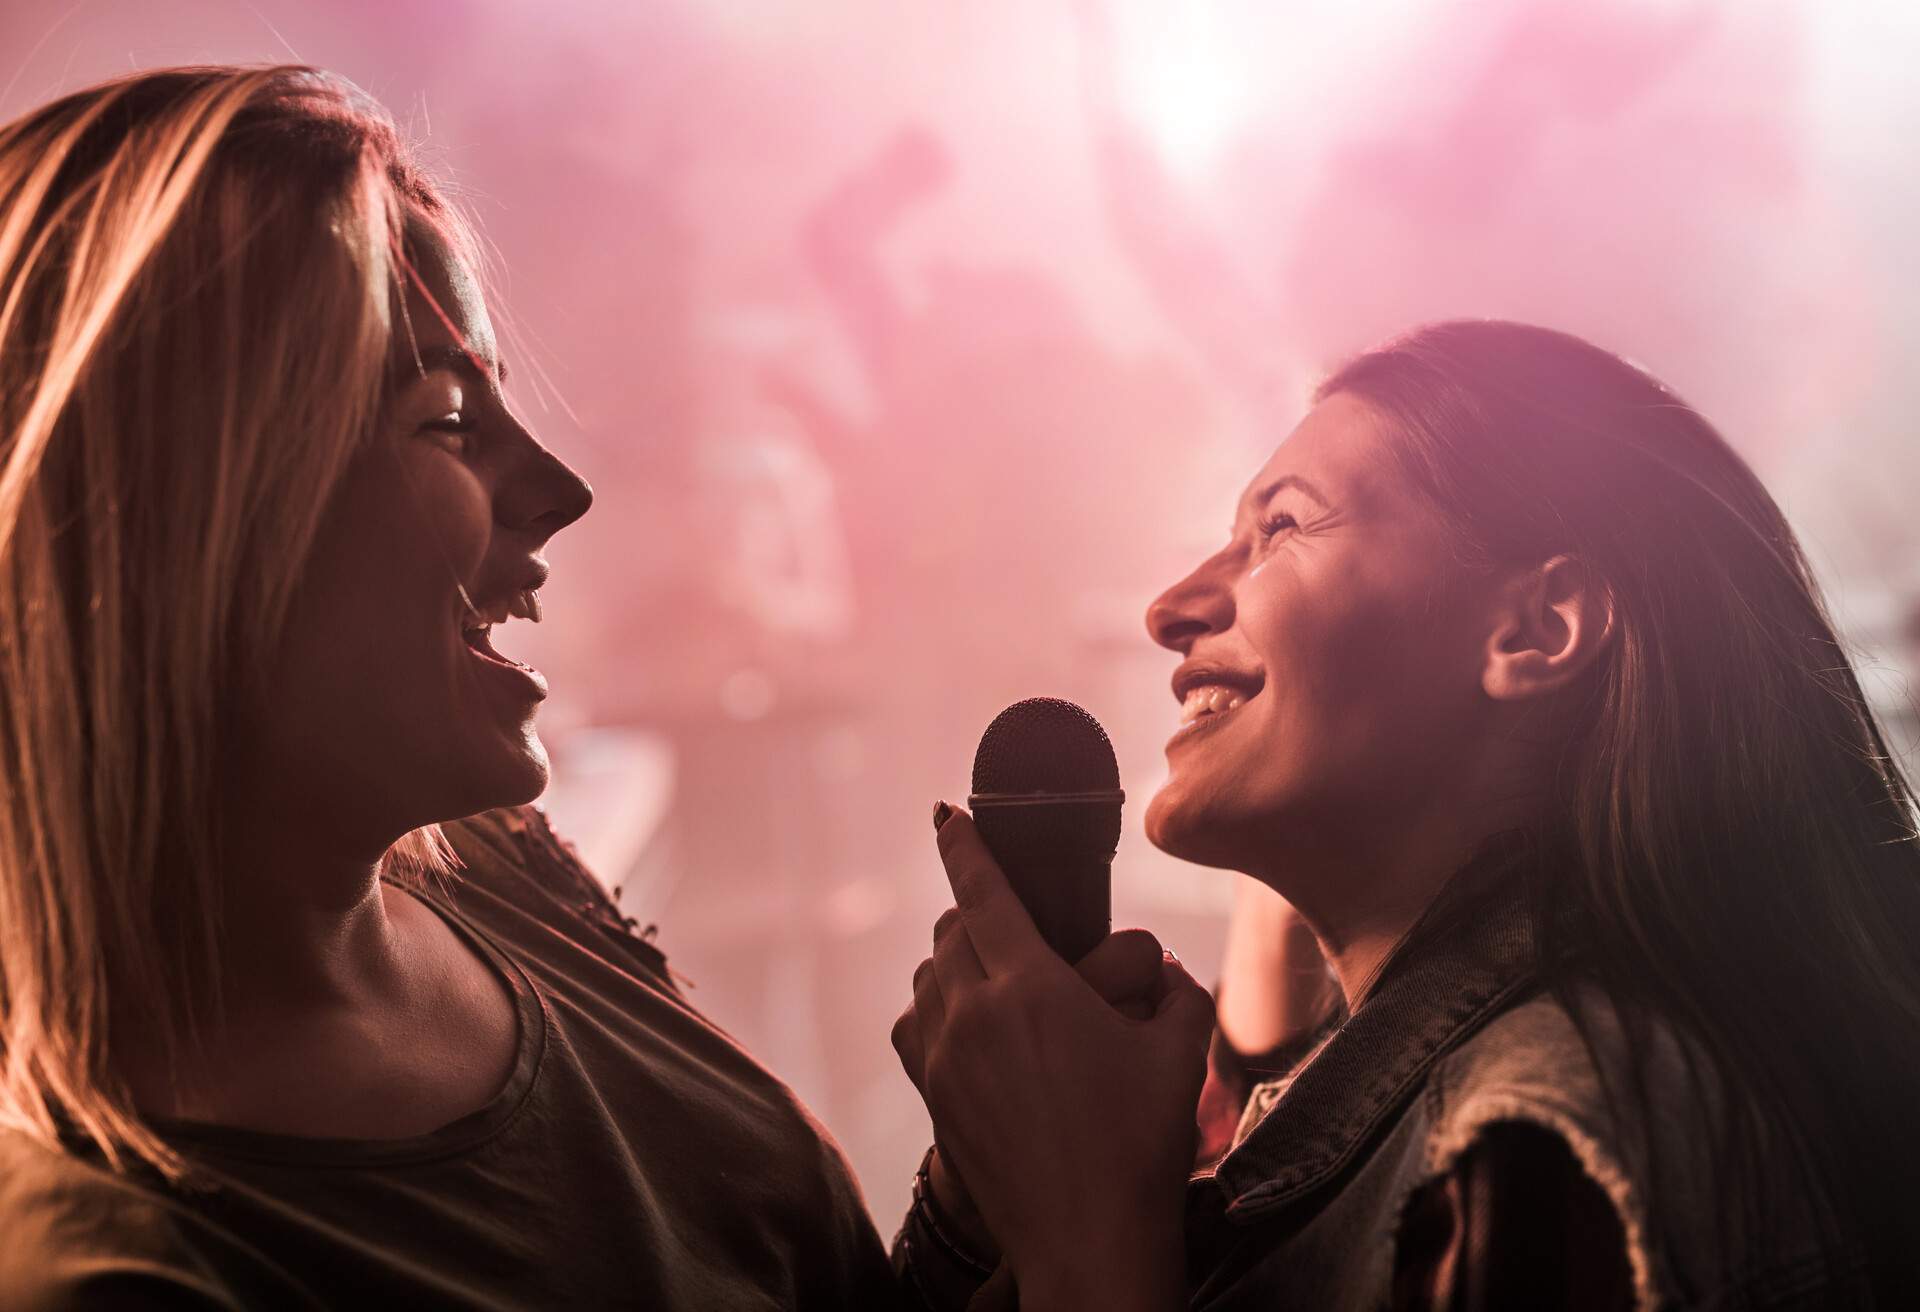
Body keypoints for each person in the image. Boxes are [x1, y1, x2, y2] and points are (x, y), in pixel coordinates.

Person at [0, 66, 900, 1308]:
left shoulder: (499, 866)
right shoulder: (112, 1270)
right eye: (445, 420)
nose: (559, 491)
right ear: (171, 522)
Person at [892, 320, 1920, 1309]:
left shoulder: (1543, 1139)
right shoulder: (1453, 1110)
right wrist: (989, 1189)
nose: (1170, 607)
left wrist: (1088, 1250)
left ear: (1536, 629)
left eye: (1280, 525)